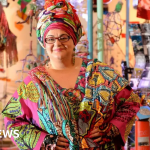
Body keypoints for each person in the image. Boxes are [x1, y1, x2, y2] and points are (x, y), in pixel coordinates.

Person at [2, 0, 140, 150]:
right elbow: (11, 121)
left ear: (74, 38)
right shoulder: (34, 82)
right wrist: (42, 140)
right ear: (43, 41)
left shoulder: (100, 72)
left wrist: (112, 128)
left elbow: (131, 102)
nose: (57, 43)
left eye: (64, 37)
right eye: (50, 39)